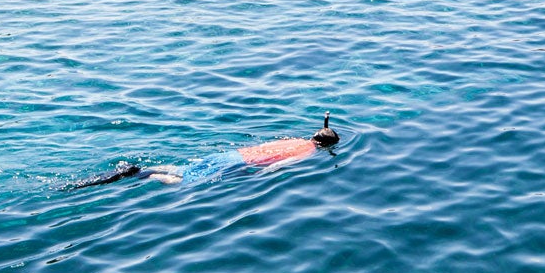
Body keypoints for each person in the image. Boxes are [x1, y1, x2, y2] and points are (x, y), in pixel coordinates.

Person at [65, 114, 341, 190]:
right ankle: (147, 176)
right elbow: (274, 168)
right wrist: (259, 179)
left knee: (184, 169)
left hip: (232, 154)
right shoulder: (307, 152)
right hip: (240, 165)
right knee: (184, 182)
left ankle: (143, 170)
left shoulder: (294, 138)